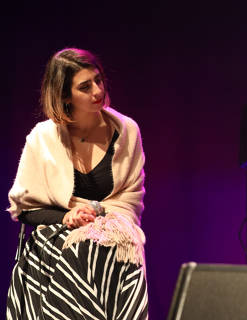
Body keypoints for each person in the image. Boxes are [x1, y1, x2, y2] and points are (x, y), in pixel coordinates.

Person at [7, 48, 148, 318]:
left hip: (113, 230)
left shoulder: (127, 130)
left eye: (99, 80)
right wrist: (68, 216)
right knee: (80, 248)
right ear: (64, 95)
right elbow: (24, 209)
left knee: (117, 248)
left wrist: (96, 214)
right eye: (85, 86)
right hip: (56, 235)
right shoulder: (42, 138)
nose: (97, 91)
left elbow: (131, 198)